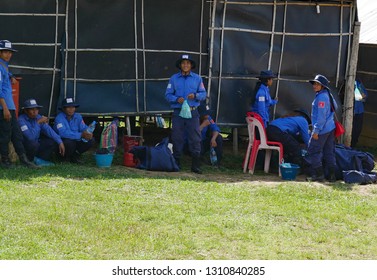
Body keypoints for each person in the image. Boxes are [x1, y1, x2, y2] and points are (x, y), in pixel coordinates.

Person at [165, 54, 206, 173]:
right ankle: (176, 162)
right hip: (178, 112)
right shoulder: (173, 78)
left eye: (188, 63)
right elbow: (167, 95)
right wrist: (176, 99)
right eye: (183, 63)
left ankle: (195, 165)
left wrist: (196, 96)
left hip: (193, 113)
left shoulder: (197, 78)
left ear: (191, 65)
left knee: (195, 138)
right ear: (180, 65)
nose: (185, 65)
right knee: (177, 136)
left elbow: (203, 94)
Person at [0, 40, 37, 169]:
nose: (8, 54)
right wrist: (4, 108)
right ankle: (5, 161)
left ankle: (24, 159)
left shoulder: (4, 65)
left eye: (10, 52)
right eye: (5, 52)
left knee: (16, 133)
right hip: (4, 107)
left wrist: (11, 76)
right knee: (5, 134)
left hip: (10, 107)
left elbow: (5, 73)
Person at [305, 74, 337, 182]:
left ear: (322, 86)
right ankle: (332, 176)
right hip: (330, 128)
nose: (314, 85)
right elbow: (335, 107)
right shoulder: (328, 94)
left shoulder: (322, 97)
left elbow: (321, 117)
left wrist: (316, 131)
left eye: (317, 84)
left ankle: (318, 175)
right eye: (314, 83)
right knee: (329, 152)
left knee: (313, 150)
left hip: (322, 129)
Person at [18, 99, 65, 166]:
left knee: (52, 142)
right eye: (32, 109)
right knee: (33, 143)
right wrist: (38, 123)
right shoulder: (21, 120)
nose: (35, 112)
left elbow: (49, 130)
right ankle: (29, 160)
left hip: (36, 143)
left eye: (36, 109)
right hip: (26, 146)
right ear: (26, 111)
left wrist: (60, 141)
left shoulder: (38, 117)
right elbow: (30, 138)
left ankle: (39, 160)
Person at [53, 97, 94, 163]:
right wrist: (81, 135)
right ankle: (65, 158)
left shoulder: (78, 116)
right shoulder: (59, 118)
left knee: (91, 140)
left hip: (76, 140)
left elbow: (83, 127)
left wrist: (88, 132)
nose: (71, 109)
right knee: (69, 143)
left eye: (73, 107)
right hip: (63, 142)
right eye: (68, 107)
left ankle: (75, 156)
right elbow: (63, 133)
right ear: (63, 109)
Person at [351, 78, 368, 148]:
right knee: (352, 130)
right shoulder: (347, 84)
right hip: (351, 111)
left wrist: (360, 95)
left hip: (359, 111)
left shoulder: (358, 83)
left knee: (357, 130)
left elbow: (365, 95)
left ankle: (353, 145)